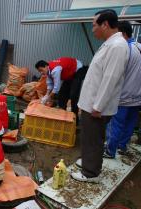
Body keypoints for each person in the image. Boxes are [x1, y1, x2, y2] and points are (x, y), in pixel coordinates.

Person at [71, 9, 129, 183]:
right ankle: (89, 162)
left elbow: (111, 79)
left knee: (94, 138)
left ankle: (91, 173)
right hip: (92, 103)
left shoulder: (117, 46)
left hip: (97, 106)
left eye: (94, 25)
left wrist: (98, 106)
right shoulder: (110, 43)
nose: (93, 29)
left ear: (105, 24)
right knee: (89, 136)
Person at [104, 21, 141, 158]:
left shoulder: (125, 49)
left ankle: (110, 150)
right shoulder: (139, 47)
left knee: (115, 124)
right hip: (137, 96)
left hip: (123, 96)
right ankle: (122, 146)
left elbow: (115, 74)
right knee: (130, 123)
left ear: (124, 34)